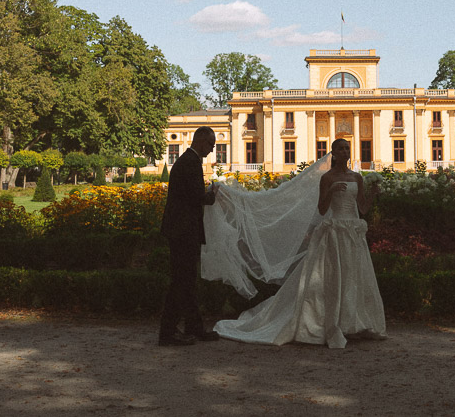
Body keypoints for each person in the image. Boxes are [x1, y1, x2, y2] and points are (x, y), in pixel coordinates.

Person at [210, 138, 386, 348]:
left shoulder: (357, 177)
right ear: (333, 153)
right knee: (334, 277)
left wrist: (373, 194)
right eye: (341, 148)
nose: (345, 151)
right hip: (335, 231)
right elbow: (321, 209)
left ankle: (353, 323)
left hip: (353, 232)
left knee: (353, 277)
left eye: (347, 148)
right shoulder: (327, 178)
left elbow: (363, 209)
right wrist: (331, 191)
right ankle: (333, 323)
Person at [158, 126, 221, 346]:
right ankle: (168, 333)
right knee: (181, 282)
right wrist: (212, 195)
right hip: (183, 231)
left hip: (181, 229)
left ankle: (194, 327)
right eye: (211, 145)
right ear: (201, 140)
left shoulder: (187, 160)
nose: (211, 150)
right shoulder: (191, 163)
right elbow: (196, 197)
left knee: (186, 281)